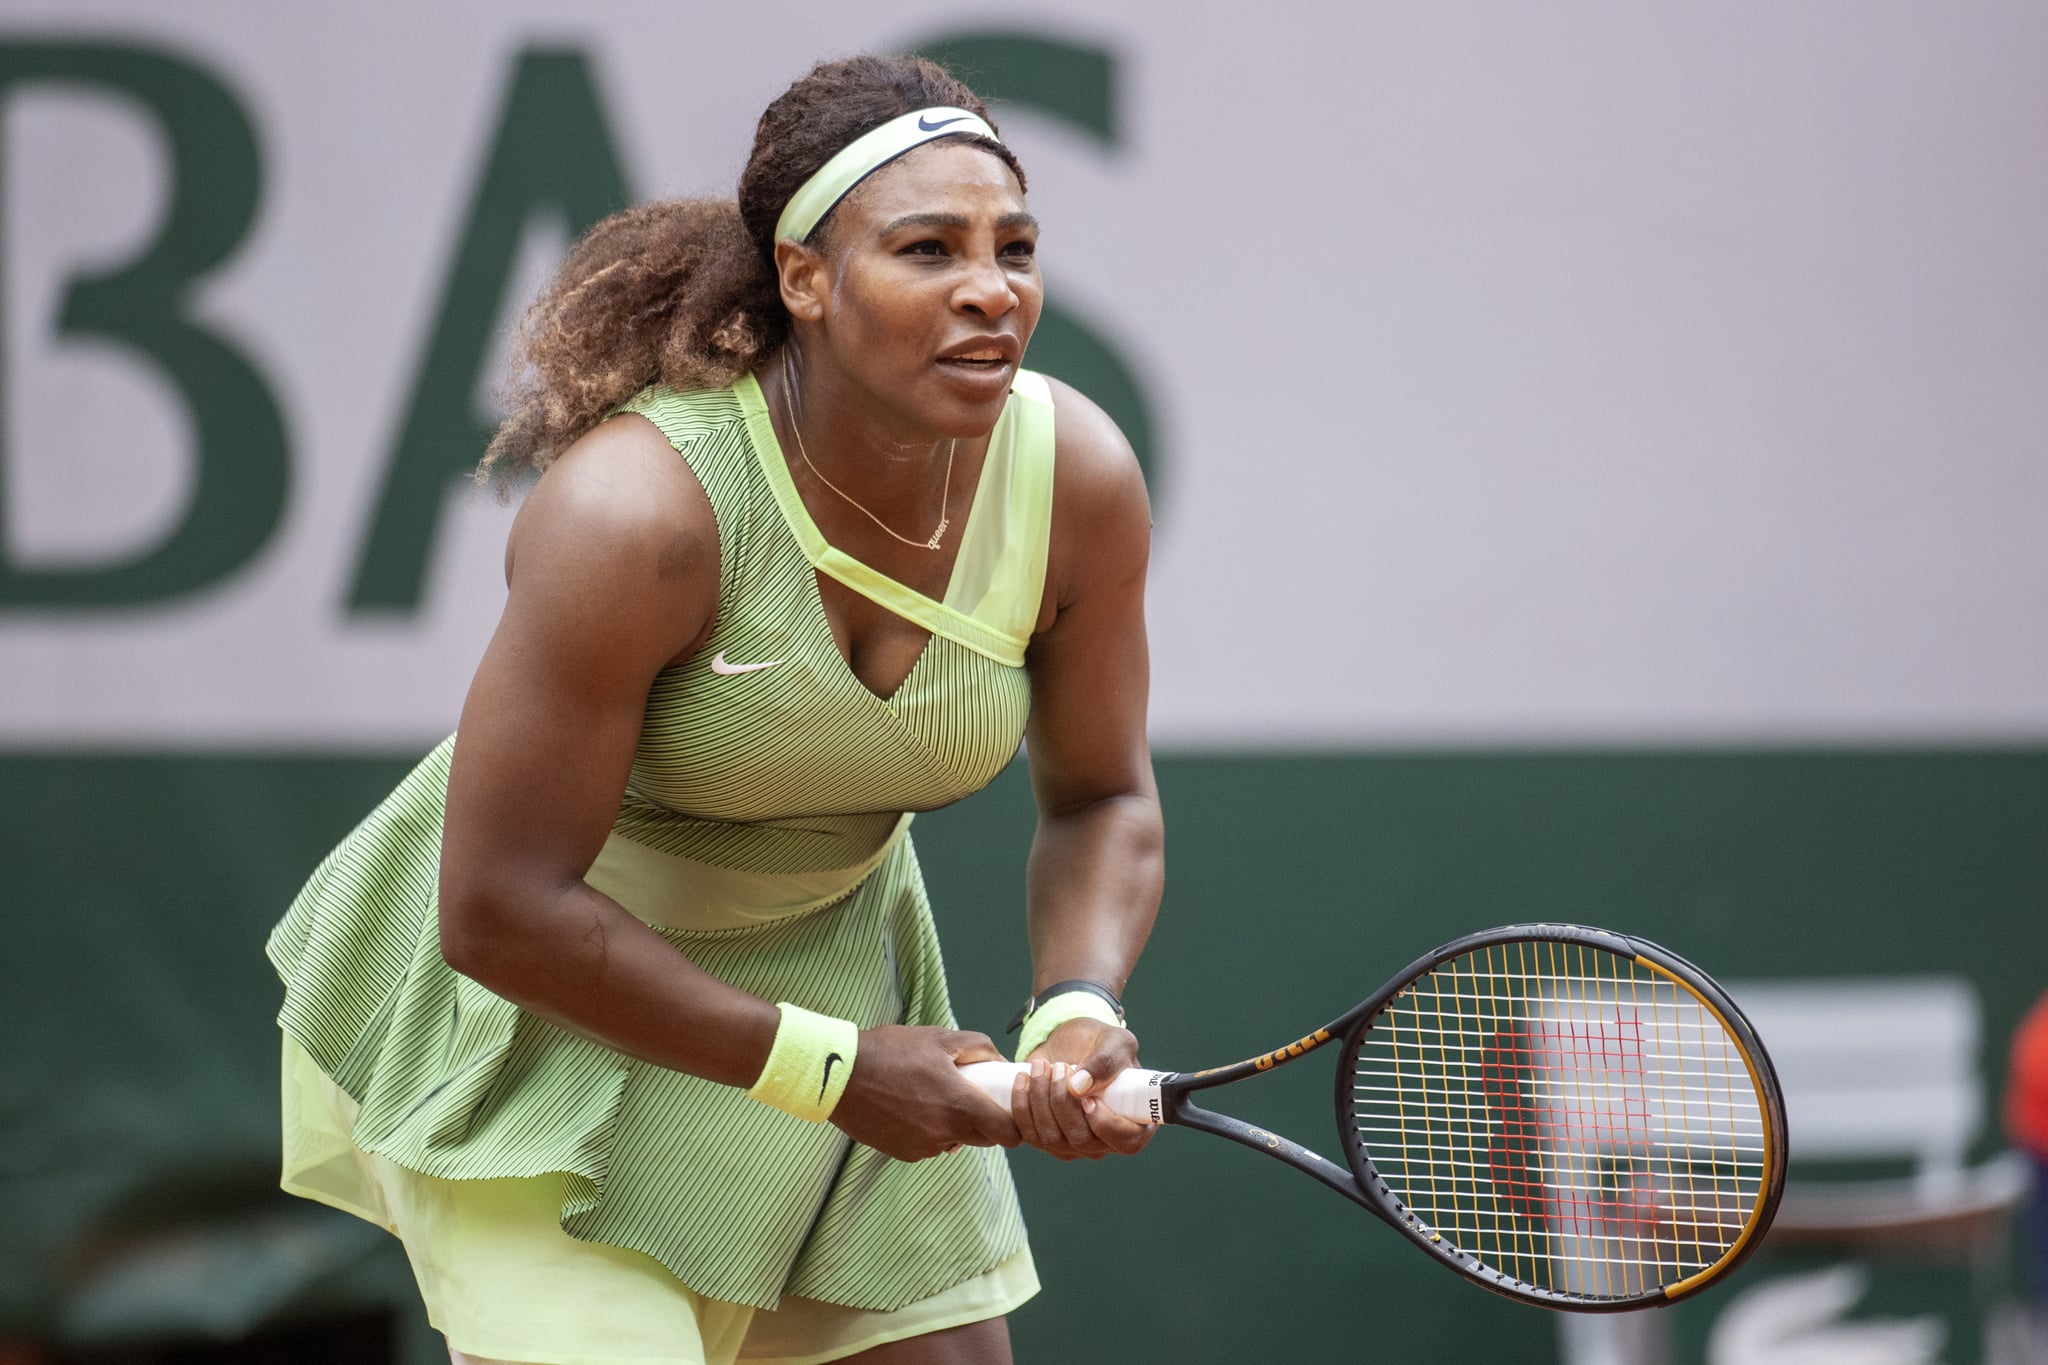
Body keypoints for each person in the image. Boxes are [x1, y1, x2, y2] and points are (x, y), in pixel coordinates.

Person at [266, 53, 1162, 1365]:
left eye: (1014, 248)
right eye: (927, 248)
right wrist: (840, 1073)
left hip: (851, 992)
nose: (992, 289)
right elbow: (498, 906)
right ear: (806, 278)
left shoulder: (1073, 475)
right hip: (551, 1027)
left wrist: (1074, 1003)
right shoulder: (637, 513)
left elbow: (1103, 794)